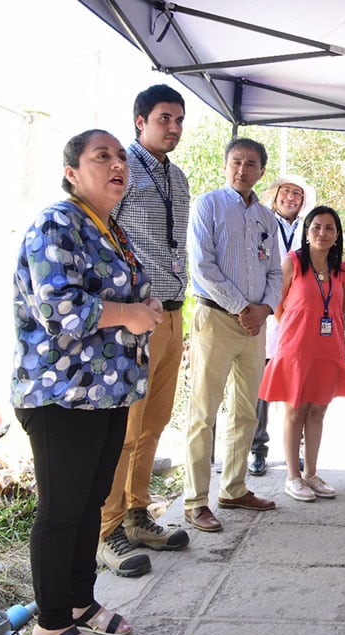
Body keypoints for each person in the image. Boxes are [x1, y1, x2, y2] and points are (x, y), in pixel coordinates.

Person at [13, 129, 162, 635]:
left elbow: (129, 291)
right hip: (61, 394)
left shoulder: (110, 228)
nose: (118, 164)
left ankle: (79, 601)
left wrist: (146, 308)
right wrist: (131, 313)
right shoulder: (56, 223)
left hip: (106, 393)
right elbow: (60, 309)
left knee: (90, 501)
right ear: (72, 171)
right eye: (102, 156)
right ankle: (50, 626)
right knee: (61, 510)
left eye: (121, 156)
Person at [97, 84, 191, 578]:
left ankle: (137, 515)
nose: (173, 128)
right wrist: (124, 304)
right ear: (140, 121)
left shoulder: (177, 177)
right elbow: (103, 236)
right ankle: (107, 529)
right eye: (164, 118)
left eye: (179, 120)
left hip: (172, 314)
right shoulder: (122, 171)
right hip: (134, 318)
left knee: (155, 421)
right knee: (126, 429)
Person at [183, 137, 282, 532]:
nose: (242, 169)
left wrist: (263, 309)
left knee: (246, 411)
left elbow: (275, 271)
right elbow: (202, 266)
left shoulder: (266, 217)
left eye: (251, 163)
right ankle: (195, 501)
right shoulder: (208, 205)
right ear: (226, 165)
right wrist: (243, 306)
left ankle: (234, 488)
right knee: (204, 412)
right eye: (236, 161)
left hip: (255, 326)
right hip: (217, 318)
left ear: (261, 171)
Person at [258, 206, 345, 501]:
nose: (322, 233)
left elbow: (340, 311)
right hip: (296, 349)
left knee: (318, 411)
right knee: (295, 411)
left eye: (329, 228)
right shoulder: (293, 263)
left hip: (328, 350)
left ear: (337, 234)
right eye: (316, 227)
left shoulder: (342, 272)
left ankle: (312, 474)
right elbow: (277, 305)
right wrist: (297, 329)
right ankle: (293, 477)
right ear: (307, 232)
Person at [249, 175, 315, 476]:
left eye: (297, 193)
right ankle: (257, 449)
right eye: (286, 191)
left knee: (298, 386)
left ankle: (295, 449)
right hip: (266, 310)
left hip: (297, 315)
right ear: (275, 195)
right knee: (261, 386)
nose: (291, 197)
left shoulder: (309, 227)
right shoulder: (260, 221)